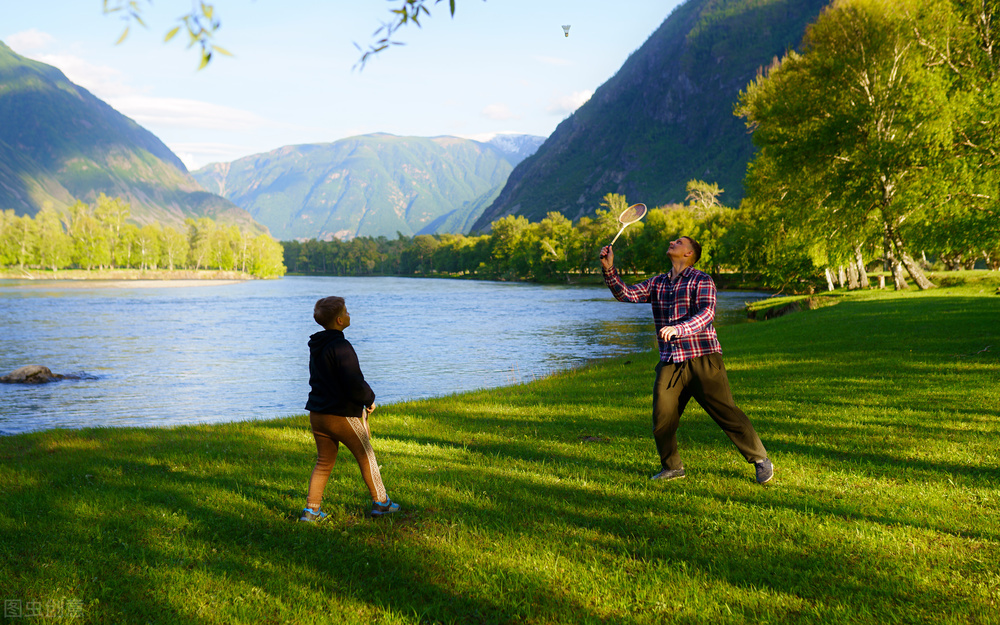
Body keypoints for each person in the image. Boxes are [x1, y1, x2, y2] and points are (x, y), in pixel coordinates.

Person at [599, 236, 774, 484]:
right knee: (662, 419)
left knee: (726, 413)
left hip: (703, 357)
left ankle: (760, 459)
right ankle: (672, 467)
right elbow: (626, 294)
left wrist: (678, 329)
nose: (672, 242)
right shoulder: (657, 282)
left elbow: (707, 313)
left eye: (679, 242)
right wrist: (609, 269)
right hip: (671, 361)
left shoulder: (702, 279)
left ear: (689, 253)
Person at [299, 296, 401, 521]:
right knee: (367, 456)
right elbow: (353, 380)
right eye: (346, 312)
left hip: (318, 414)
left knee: (324, 462)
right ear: (339, 320)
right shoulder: (341, 346)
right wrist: (369, 399)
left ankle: (311, 510)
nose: (349, 314)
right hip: (341, 415)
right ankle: (381, 502)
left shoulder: (317, 346)